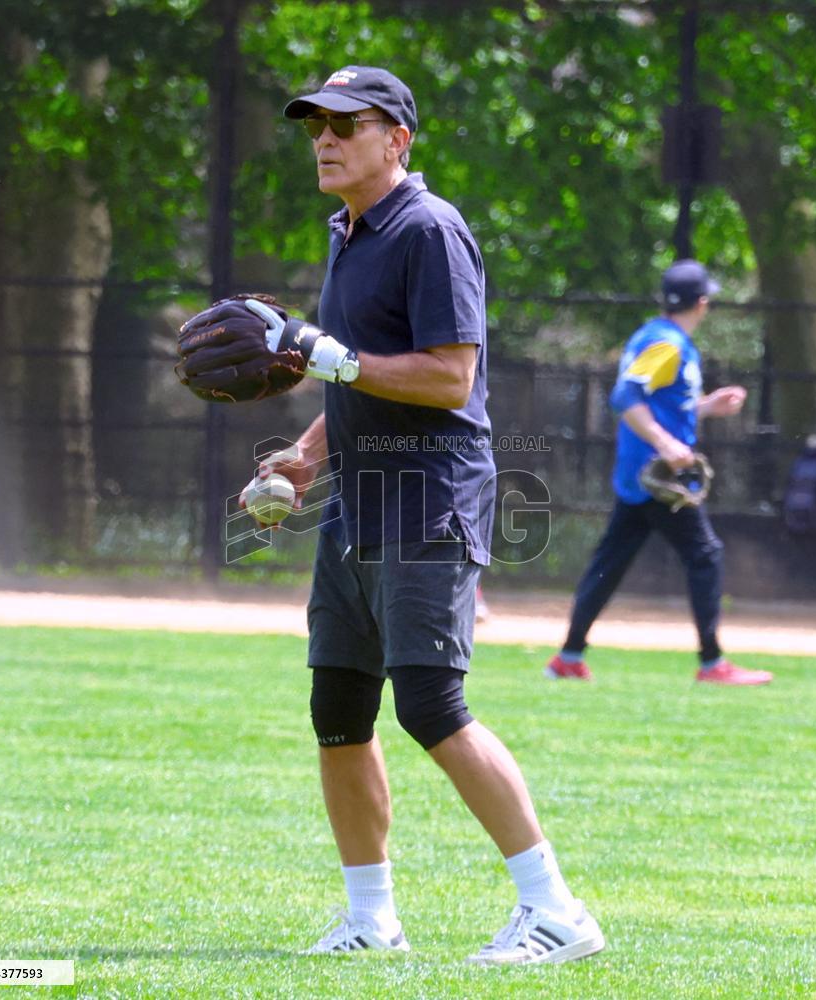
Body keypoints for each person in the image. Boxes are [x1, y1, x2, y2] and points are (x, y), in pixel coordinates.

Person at [241, 66, 604, 964]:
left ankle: (556, 910)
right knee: (339, 706)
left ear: (396, 139)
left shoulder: (428, 230)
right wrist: (305, 455)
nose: (324, 139)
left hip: (429, 493)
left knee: (432, 705)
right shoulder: (350, 231)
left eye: (346, 125)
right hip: (357, 498)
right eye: (314, 125)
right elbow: (359, 371)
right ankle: (371, 919)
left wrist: (330, 358)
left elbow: (449, 375)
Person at [546, 260, 772, 686]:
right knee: (705, 554)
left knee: (608, 564)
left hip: (640, 476)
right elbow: (626, 396)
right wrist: (667, 444)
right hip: (659, 477)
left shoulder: (656, 337)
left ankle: (568, 657)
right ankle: (712, 663)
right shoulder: (667, 344)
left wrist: (706, 407)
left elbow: (661, 402)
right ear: (702, 303)